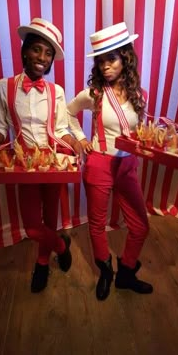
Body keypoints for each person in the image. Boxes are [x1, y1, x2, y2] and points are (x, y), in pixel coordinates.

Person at [0, 18, 81, 293]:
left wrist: (76, 143)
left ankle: (41, 262)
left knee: (50, 217)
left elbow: (61, 128)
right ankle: (60, 246)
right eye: (37, 49)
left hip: (52, 161)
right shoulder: (5, 86)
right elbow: (0, 126)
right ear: (25, 51)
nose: (43, 58)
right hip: (22, 163)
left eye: (49, 53)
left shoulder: (56, 91)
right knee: (32, 226)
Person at [67, 22, 153, 300]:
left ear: (125, 58)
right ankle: (105, 271)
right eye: (101, 61)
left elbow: (141, 132)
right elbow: (68, 113)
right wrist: (80, 139)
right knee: (97, 224)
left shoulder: (141, 95)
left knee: (140, 224)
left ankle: (126, 273)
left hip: (127, 165)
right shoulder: (93, 94)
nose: (105, 66)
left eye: (111, 59)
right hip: (99, 163)